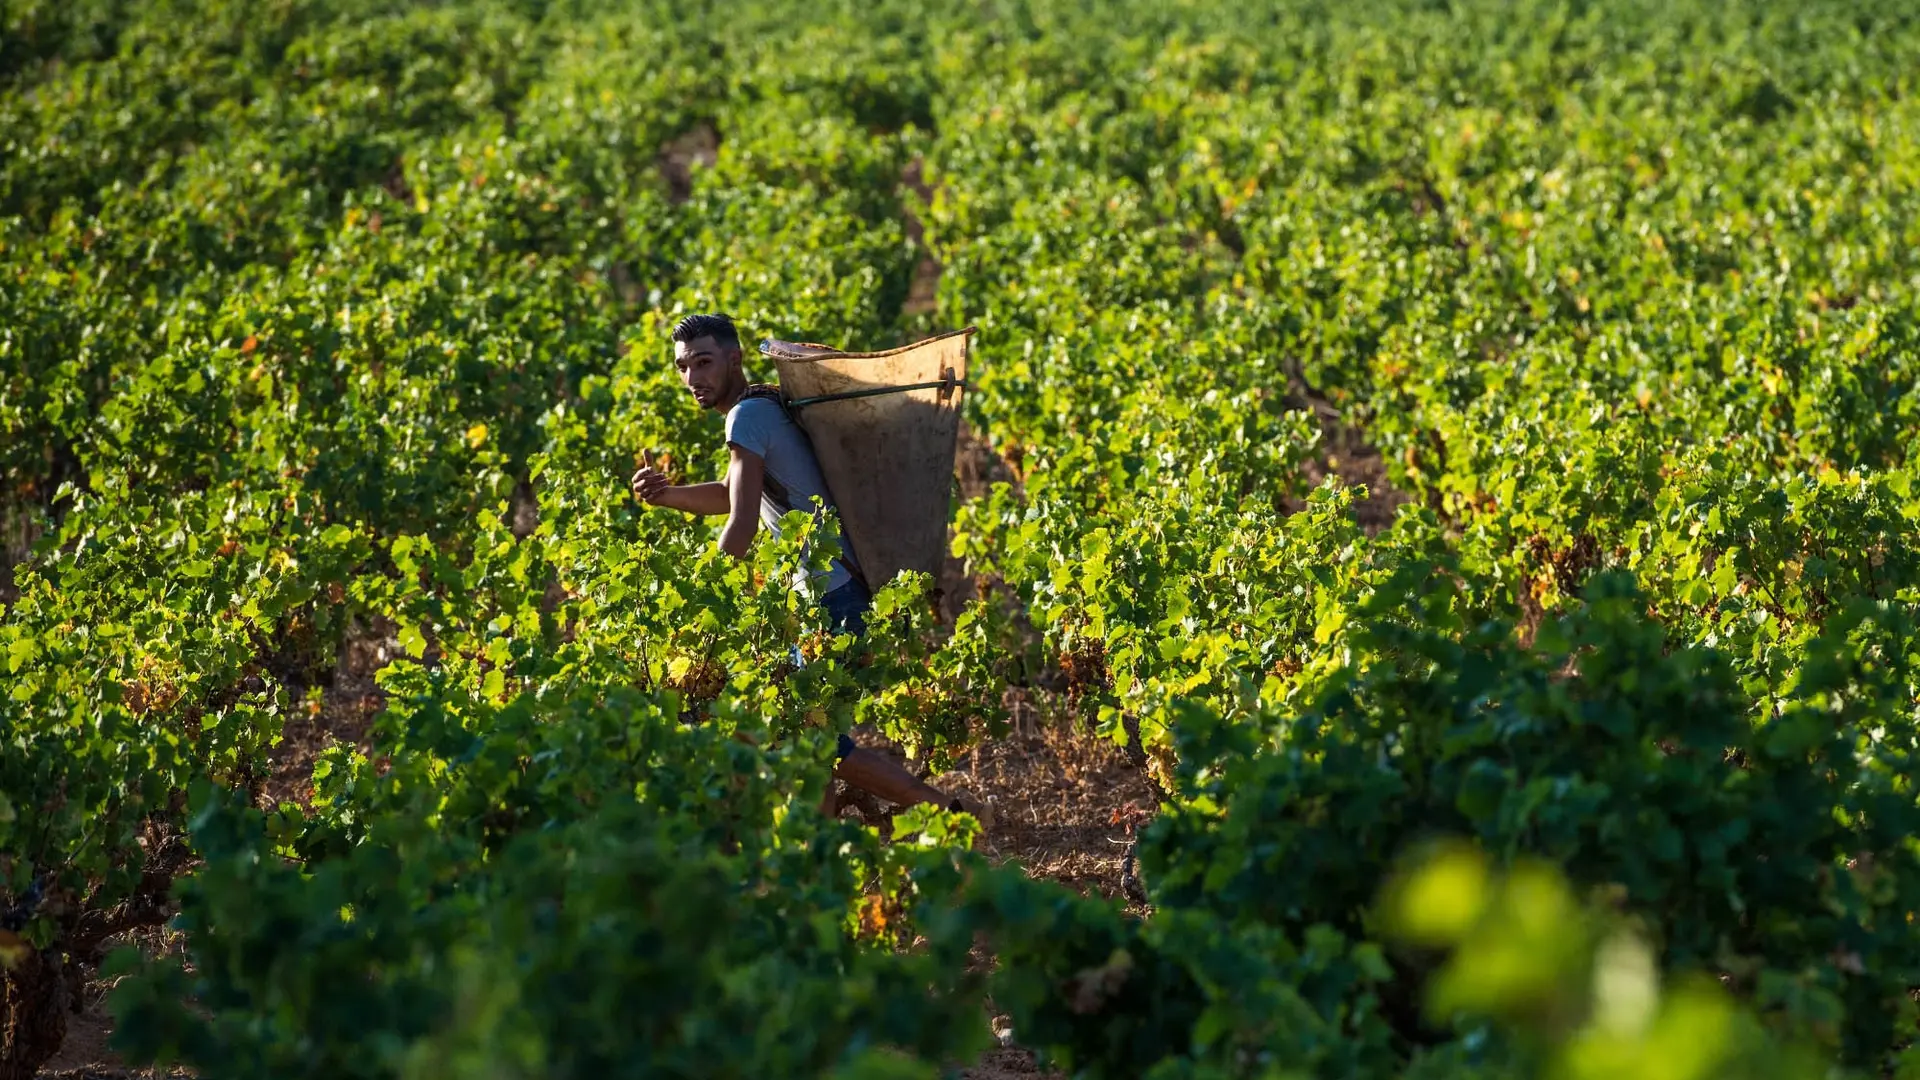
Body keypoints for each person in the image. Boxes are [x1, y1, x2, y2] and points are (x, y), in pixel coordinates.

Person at [630, 312, 974, 820]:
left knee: (814, 741)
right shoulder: (763, 406)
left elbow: (742, 521)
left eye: (703, 362)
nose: (692, 377)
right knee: (808, 740)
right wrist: (668, 496)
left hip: (832, 595)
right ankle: (819, 846)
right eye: (683, 367)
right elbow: (731, 494)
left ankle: (952, 813)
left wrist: (702, 600)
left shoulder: (745, 417)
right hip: (829, 593)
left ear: (734, 360)